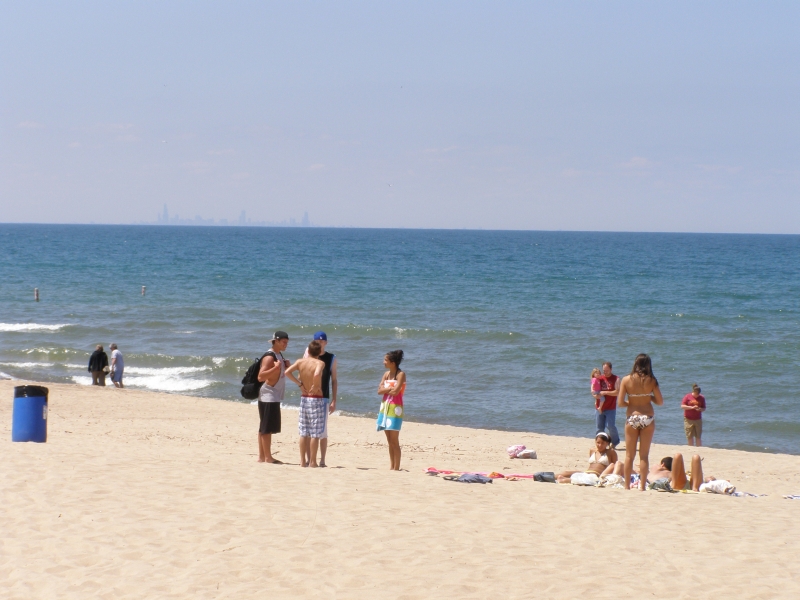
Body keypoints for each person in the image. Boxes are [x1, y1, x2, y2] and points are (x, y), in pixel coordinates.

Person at [617, 354, 664, 491]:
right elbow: (660, 402)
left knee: (629, 455)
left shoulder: (626, 380)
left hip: (632, 417)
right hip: (647, 418)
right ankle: (642, 487)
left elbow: (620, 403)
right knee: (643, 456)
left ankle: (627, 487)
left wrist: (632, 401)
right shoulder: (652, 381)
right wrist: (648, 398)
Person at [285, 341, 326, 468]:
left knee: (304, 431)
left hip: (304, 398)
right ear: (319, 352)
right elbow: (317, 373)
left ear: (308, 351)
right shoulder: (320, 362)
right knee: (315, 432)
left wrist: (299, 384)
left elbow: (287, 372)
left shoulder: (300, 362)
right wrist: (316, 385)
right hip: (316, 398)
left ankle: (302, 461)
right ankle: (312, 462)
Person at [303, 331, 338, 467]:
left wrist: (334, 400)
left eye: (322, 341)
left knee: (322, 431)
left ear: (326, 343)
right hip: (308, 397)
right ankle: (308, 459)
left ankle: (322, 460)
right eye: (318, 341)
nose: (320, 343)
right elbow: (302, 372)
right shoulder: (308, 355)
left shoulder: (331, 358)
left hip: (323, 398)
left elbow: (334, 380)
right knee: (306, 431)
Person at [256, 331, 290, 464]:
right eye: (284, 342)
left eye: (287, 342)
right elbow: (260, 376)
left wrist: (287, 366)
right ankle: (268, 457)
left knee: (264, 427)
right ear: (276, 341)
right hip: (268, 395)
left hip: (273, 394)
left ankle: (262, 457)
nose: (286, 344)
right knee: (266, 428)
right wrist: (275, 369)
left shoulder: (278, 355)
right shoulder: (269, 357)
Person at [377, 349, 406, 471]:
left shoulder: (401, 374)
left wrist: (386, 388)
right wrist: (390, 388)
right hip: (384, 408)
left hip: (395, 409)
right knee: (389, 440)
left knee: (394, 440)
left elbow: (396, 391)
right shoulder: (386, 374)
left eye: (385, 360)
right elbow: (379, 391)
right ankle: (391, 466)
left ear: (392, 362)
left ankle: (397, 467)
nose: (383, 362)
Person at [556, 432, 621, 483]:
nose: (600, 445)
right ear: (595, 441)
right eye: (598, 442)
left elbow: (615, 467)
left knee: (588, 479)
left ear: (607, 443)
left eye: (602, 443)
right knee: (566, 472)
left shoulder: (611, 452)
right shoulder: (592, 450)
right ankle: (547, 476)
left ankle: (567, 480)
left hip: (597, 475)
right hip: (587, 472)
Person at [596, 361, 621, 447]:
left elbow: (617, 392)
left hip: (611, 407)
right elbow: (595, 389)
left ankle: (615, 442)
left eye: (607, 370)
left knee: (610, 426)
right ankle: (600, 443)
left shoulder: (616, 378)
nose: (605, 372)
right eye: (604, 370)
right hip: (600, 407)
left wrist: (605, 392)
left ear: (611, 369)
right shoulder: (600, 378)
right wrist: (595, 396)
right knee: (600, 427)